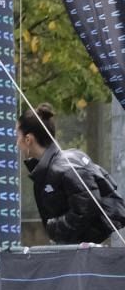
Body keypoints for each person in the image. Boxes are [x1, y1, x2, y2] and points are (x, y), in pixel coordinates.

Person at [17, 103, 125, 245]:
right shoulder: (47, 170)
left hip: (95, 249)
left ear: (28, 139)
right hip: (78, 249)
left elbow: (86, 208)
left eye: (17, 135)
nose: (16, 142)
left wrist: (54, 227)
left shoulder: (65, 167)